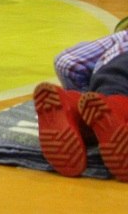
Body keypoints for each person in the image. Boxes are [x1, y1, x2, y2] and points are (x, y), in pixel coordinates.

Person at [32, 19, 128, 182]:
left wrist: (85, 94)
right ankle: (115, 113)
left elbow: (67, 63)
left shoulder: (121, 39)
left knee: (98, 110)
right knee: (113, 110)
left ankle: (72, 106)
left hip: (103, 76)